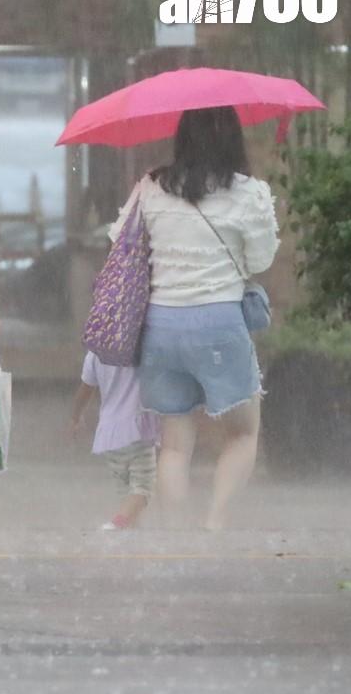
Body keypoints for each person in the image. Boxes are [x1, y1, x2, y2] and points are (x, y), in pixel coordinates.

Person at [110, 106, 279, 530]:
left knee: (174, 446)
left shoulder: (151, 186)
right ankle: (214, 523)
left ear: (182, 136)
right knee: (242, 433)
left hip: (161, 327)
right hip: (220, 323)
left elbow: (120, 241)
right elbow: (260, 258)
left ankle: (175, 533)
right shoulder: (248, 191)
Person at [70, 352, 159, 530]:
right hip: (138, 429)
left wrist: (76, 416)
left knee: (125, 492)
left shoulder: (96, 352)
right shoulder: (144, 347)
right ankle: (116, 524)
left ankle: (131, 533)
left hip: (109, 434)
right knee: (143, 489)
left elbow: (86, 389)